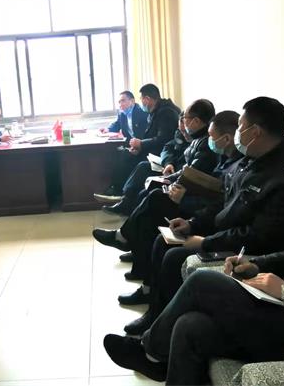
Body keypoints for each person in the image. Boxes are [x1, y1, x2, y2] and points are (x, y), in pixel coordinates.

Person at [103, 108, 284, 385]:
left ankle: (149, 351)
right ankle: (155, 361)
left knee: (202, 282)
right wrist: (258, 264)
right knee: (190, 326)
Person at [115, 97, 284, 336]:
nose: (238, 132)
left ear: (256, 131)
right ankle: (154, 311)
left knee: (174, 256)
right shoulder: (252, 158)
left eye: (241, 126)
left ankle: (158, 329)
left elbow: (260, 237)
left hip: (246, 248)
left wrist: (205, 242)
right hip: (226, 231)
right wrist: (193, 224)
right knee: (164, 239)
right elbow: (224, 202)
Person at [93, 111, 242, 299]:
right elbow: (171, 148)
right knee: (151, 198)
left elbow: (220, 202)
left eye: (212, 136)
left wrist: (186, 205)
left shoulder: (226, 159)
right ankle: (131, 245)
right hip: (201, 207)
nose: (210, 139)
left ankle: (127, 239)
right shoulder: (224, 157)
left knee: (155, 201)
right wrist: (170, 167)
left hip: (205, 215)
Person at [102, 98, 214, 216]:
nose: (184, 133)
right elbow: (168, 147)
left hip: (178, 176)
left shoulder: (202, 142)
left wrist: (166, 176)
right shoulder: (183, 133)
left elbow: (190, 171)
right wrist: (168, 163)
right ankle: (125, 200)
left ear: (196, 122)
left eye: (186, 121)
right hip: (170, 168)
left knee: (147, 189)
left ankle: (127, 205)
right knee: (141, 165)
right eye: (181, 130)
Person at [96, 84, 181, 201]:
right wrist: (139, 147)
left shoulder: (165, 113)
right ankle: (118, 192)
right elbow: (150, 136)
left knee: (132, 160)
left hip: (162, 154)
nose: (141, 102)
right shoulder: (155, 111)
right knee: (123, 155)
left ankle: (122, 195)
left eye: (141, 99)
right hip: (151, 149)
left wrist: (141, 144)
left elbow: (163, 139)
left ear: (147, 99)